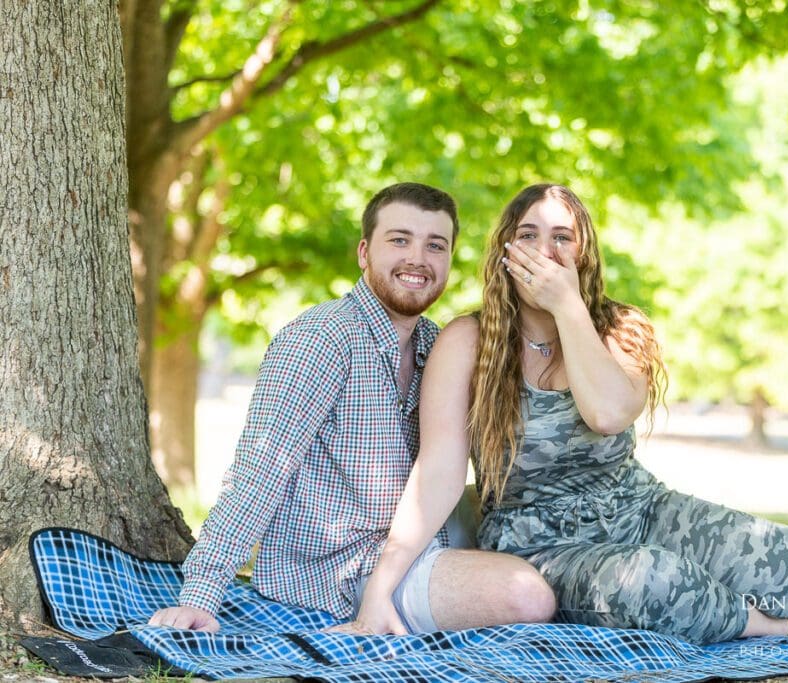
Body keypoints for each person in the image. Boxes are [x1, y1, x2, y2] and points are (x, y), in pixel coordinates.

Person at [350, 183, 788, 644]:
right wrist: (383, 584)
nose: (546, 250)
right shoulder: (467, 342)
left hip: (639, 508)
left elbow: (607, 412)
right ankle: (778, 628)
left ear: (584, 254)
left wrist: (568, 308)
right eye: (529, 235)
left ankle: (712, 607)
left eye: (562, 237)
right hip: (540, 542)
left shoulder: (619, 329)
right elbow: (437, 473)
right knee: (651, 581)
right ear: (506, 250)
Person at [149, 182, 556, 635]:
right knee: (525, 593)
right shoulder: (322, 339)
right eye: (399, 240)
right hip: (339, 570)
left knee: (537, 526)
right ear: (364, 252)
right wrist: (201, 594)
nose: (417, 259)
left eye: (435, 245)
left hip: (414, 537)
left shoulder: (436, 343)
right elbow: (260, 470)